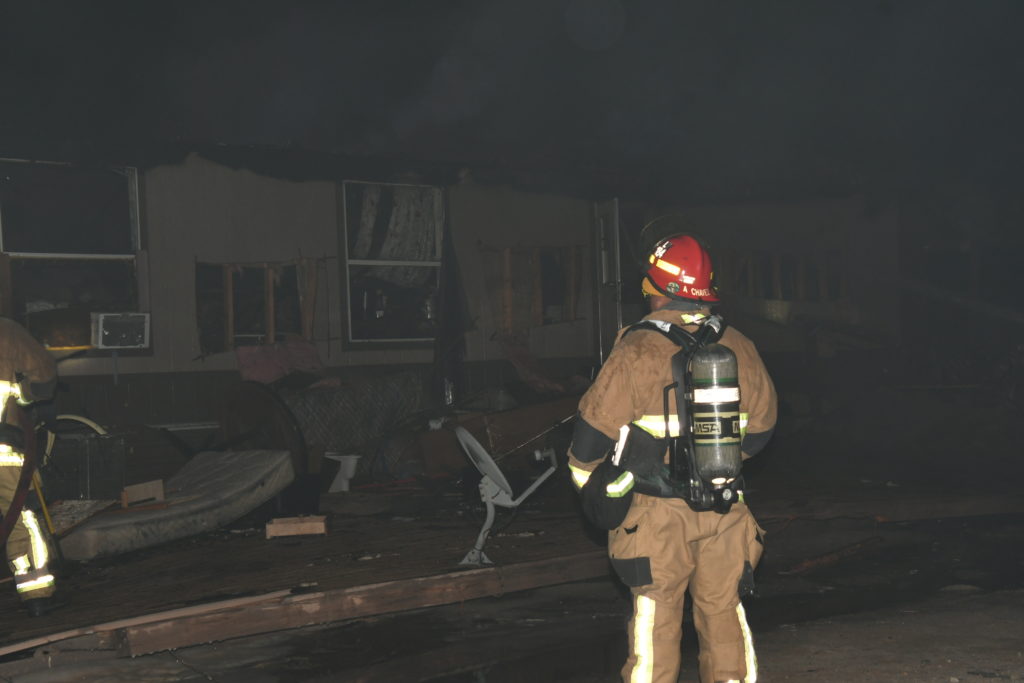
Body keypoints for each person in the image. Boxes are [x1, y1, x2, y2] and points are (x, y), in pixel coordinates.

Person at [568, 234, 777, 683]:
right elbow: (761, 432)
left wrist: (601, 497)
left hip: (655, 515)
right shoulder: (740, 345)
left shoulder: (637, 349)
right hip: (725, 507)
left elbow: (587, 445)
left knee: (655, 619)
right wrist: (717, 463)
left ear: (654, 288)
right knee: (724, 613)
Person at [0, 316, 59, 617]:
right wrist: (24, 396)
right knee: (21, 517)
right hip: (4, 452)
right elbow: (44, 375)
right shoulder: (6, 331)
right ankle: (36, 595)